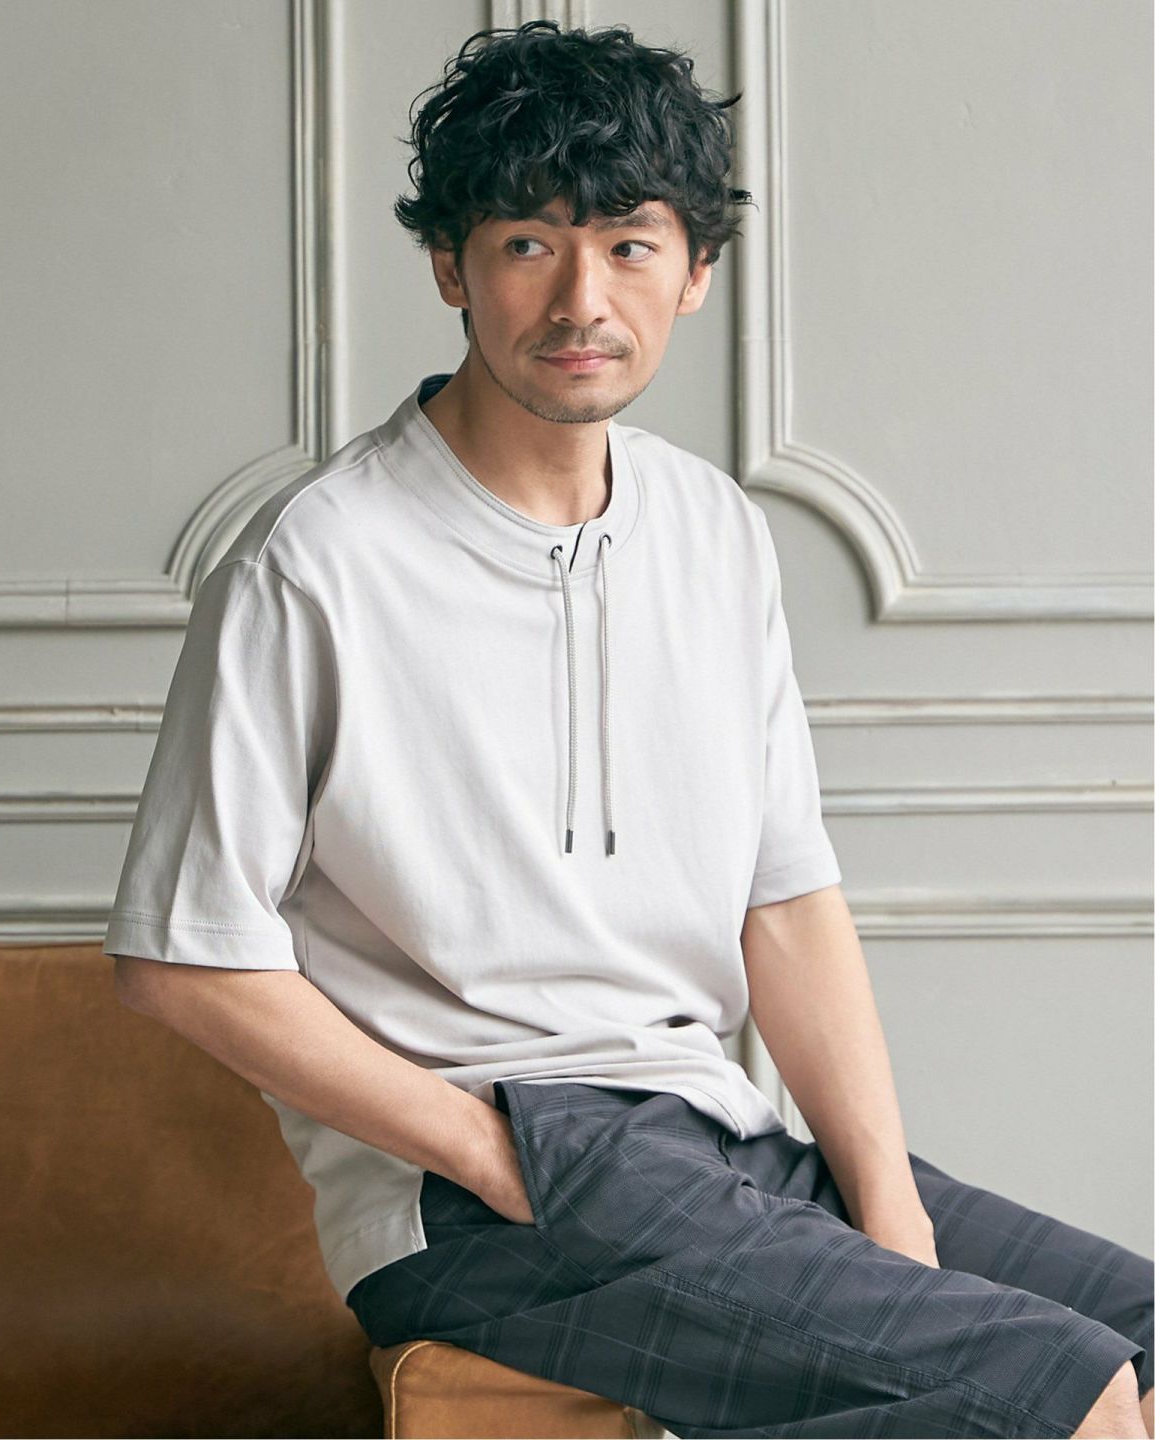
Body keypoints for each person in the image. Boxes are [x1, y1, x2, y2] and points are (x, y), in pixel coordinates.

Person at [104, 19, 1152, 1439]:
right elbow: (183, 959)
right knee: (1060, 1394)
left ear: (696, 271)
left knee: (1138, 1344)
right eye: (529, 243)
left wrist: (887, 1202)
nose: (580, 299)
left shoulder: (714, 530)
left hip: (719, 1132)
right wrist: (492, 1155)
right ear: (450, 265)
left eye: (630, 245)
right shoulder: (316, 561)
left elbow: (785, 902)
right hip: (485, 1190)